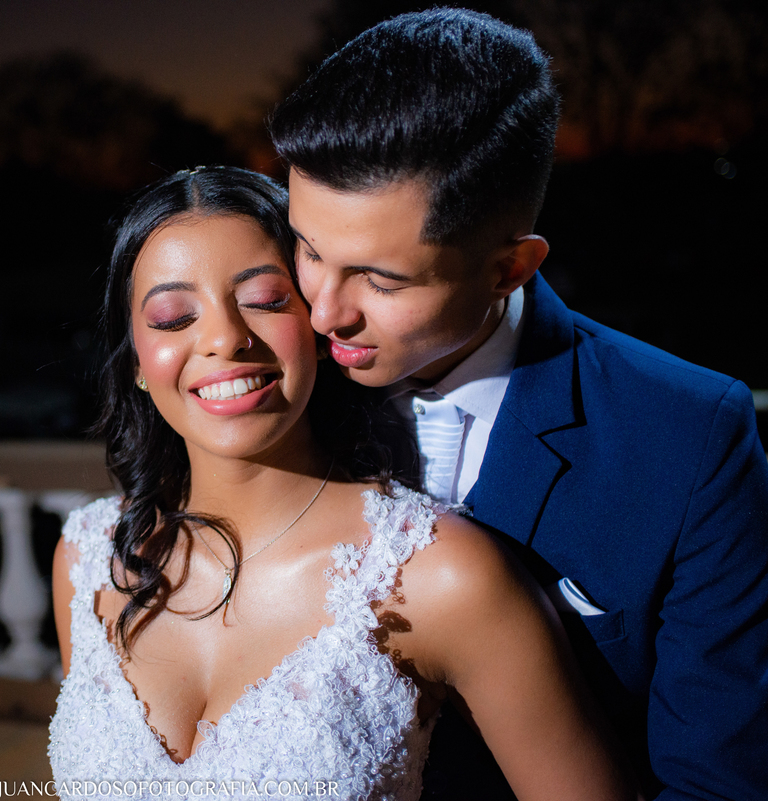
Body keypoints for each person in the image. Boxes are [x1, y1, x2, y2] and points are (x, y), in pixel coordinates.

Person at [268, 9, 768, 801]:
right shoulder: (274, 381)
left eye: (380, 279)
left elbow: (716, 784)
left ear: (509, 269)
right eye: (308, 247)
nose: (324, 311)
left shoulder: (690, 435)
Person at [47, 166, 637, 801]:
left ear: (318, 324)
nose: (223, 338)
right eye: (172, 317)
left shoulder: (436, 574)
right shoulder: (87, 559)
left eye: (264, 300)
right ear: (137, 359)